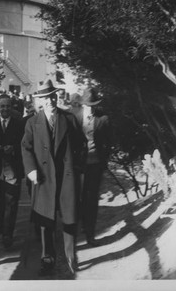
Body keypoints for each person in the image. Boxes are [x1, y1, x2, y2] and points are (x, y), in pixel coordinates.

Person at [21, 79, 86, 276]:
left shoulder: (69, 119)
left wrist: (76, 167)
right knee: (45, 220)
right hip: (44, 178)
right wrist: (31, 170)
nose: (50, 101)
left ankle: (70, 256)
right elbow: (25, 148)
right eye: (45, 98)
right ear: (39, 101)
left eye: (52, 96)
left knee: (69, 218)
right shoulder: (32, 123)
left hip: (67, 178)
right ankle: (47, 257)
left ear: (56, 96)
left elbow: (81, 145)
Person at [71, 87, 112, 246]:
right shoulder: (75, 117)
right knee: (78, 197)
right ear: (83, 104)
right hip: (78, 165)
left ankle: (90, 233)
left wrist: (104, 160)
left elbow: (109, 142)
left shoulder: (104, 119)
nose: (91, 108)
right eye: (88, 104)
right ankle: (81, 224)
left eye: (94, 105)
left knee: (92, 198)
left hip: (95, 164)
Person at [0, 94, 25, 248]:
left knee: (12, 203)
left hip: (13, 171)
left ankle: (8, 234)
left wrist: (14, 148)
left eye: (7, 106)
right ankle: (2, 228)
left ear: (12, 108)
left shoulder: (19, 124)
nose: (5, 109)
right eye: (2, 106)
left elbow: (24, 145)